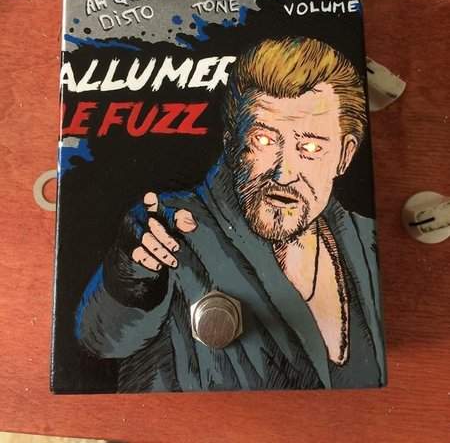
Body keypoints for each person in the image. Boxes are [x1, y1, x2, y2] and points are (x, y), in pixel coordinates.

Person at [76, 37, 386, 391]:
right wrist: (132, 274)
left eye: (310, 147)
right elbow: (102, 338)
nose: (284, 173)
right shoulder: (174, 229)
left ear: (344, 156)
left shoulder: (366, 240)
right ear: (231, 142)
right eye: (263, 140)